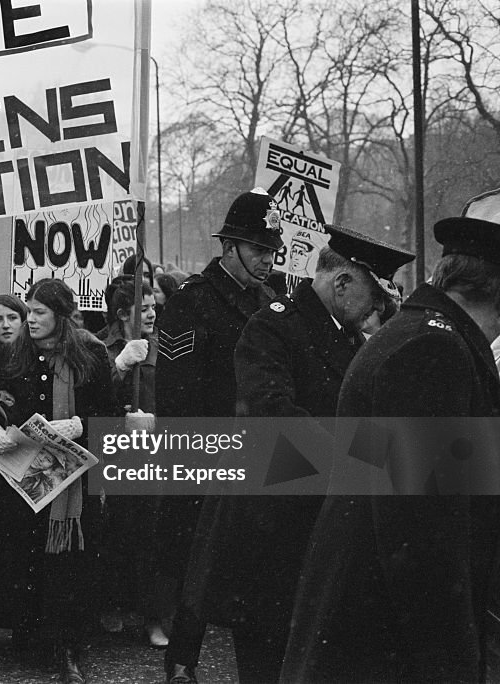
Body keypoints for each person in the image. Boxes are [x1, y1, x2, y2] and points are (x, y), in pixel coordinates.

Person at [186, 227, 413, 684]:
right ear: (343, 282)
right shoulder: (274, 325)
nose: (376, 311)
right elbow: (274, 414)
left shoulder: (348, 338)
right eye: (373, 298)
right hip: (268, 531)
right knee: (268, 663)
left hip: (312, 527)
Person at [282, 216, 500, 683]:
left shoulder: (417, 333)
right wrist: (450, 660)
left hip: (363, 610)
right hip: (383, 631)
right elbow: (422, 532)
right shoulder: (434, 350)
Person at [156, 188, 282, 684]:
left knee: (252, 568)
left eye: (272, 252)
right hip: (204, 456)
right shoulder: (193, 302)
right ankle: (182, 664)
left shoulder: (270, 302)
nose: (267, 261)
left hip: (257, 456)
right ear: (229, 247)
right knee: (195, 570)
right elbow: (176, 396)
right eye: (257, 251)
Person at [0, 278, 118, 684]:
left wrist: (81, 424)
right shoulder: (16, 356)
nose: (31, 319)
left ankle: (67, 645)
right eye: (30, 312)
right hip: (25, 480)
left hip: (73, 487)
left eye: (39, 312)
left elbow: (111, 415)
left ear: (60, 315)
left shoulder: (91, 355)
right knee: (27, 557)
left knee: (68, 566)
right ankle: (30, 634)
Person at [96, 276, 167, 646]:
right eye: (146, 308)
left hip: (154, 452)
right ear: (123, 314)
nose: (154, 313)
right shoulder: (103, 347)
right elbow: (94, 396)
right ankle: (113, 603)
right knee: (114, 533)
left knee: (152, 535)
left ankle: (153, 617)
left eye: (156, 306)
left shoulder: (163, 347)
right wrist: (120, 368)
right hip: (116, 452)